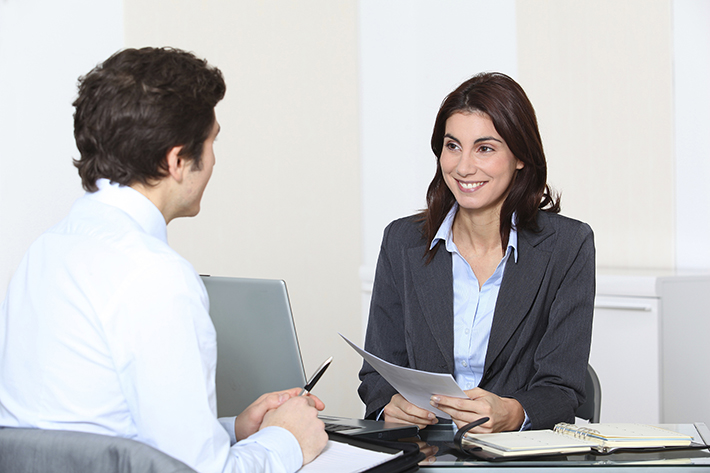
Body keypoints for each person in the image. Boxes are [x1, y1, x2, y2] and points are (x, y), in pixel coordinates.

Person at [0, 47, 327, 472]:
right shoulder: (155, 276)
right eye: (212, 142)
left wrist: (233, 429)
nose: (213, 160)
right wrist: (288, 439)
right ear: (176, 161)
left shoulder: (46, 251)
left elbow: (101, 436)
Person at [358, 72, 595, 433]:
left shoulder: (567, 245)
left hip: (516, 456)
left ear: (520, 156)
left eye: (485, 148)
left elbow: (562, 388)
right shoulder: (401, 241)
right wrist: (389, 407)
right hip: (425, 449)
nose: (463, 166)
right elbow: (377, 373)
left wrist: (514, 412)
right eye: (453, 146)